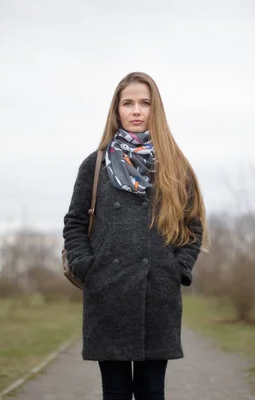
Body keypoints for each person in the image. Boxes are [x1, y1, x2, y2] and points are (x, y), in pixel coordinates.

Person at [62, 71, 209, 400]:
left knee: (151, 393)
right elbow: (74, 223)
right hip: (108, 292)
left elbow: (192, 225)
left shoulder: (175, 167)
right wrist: (88, 266)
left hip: (157, 294)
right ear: (116, 111)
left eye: (145, 103)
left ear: (156, 110)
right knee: (114, 393)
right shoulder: (96, 164)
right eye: (128, 103)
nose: (137, 110)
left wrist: (177, 268)